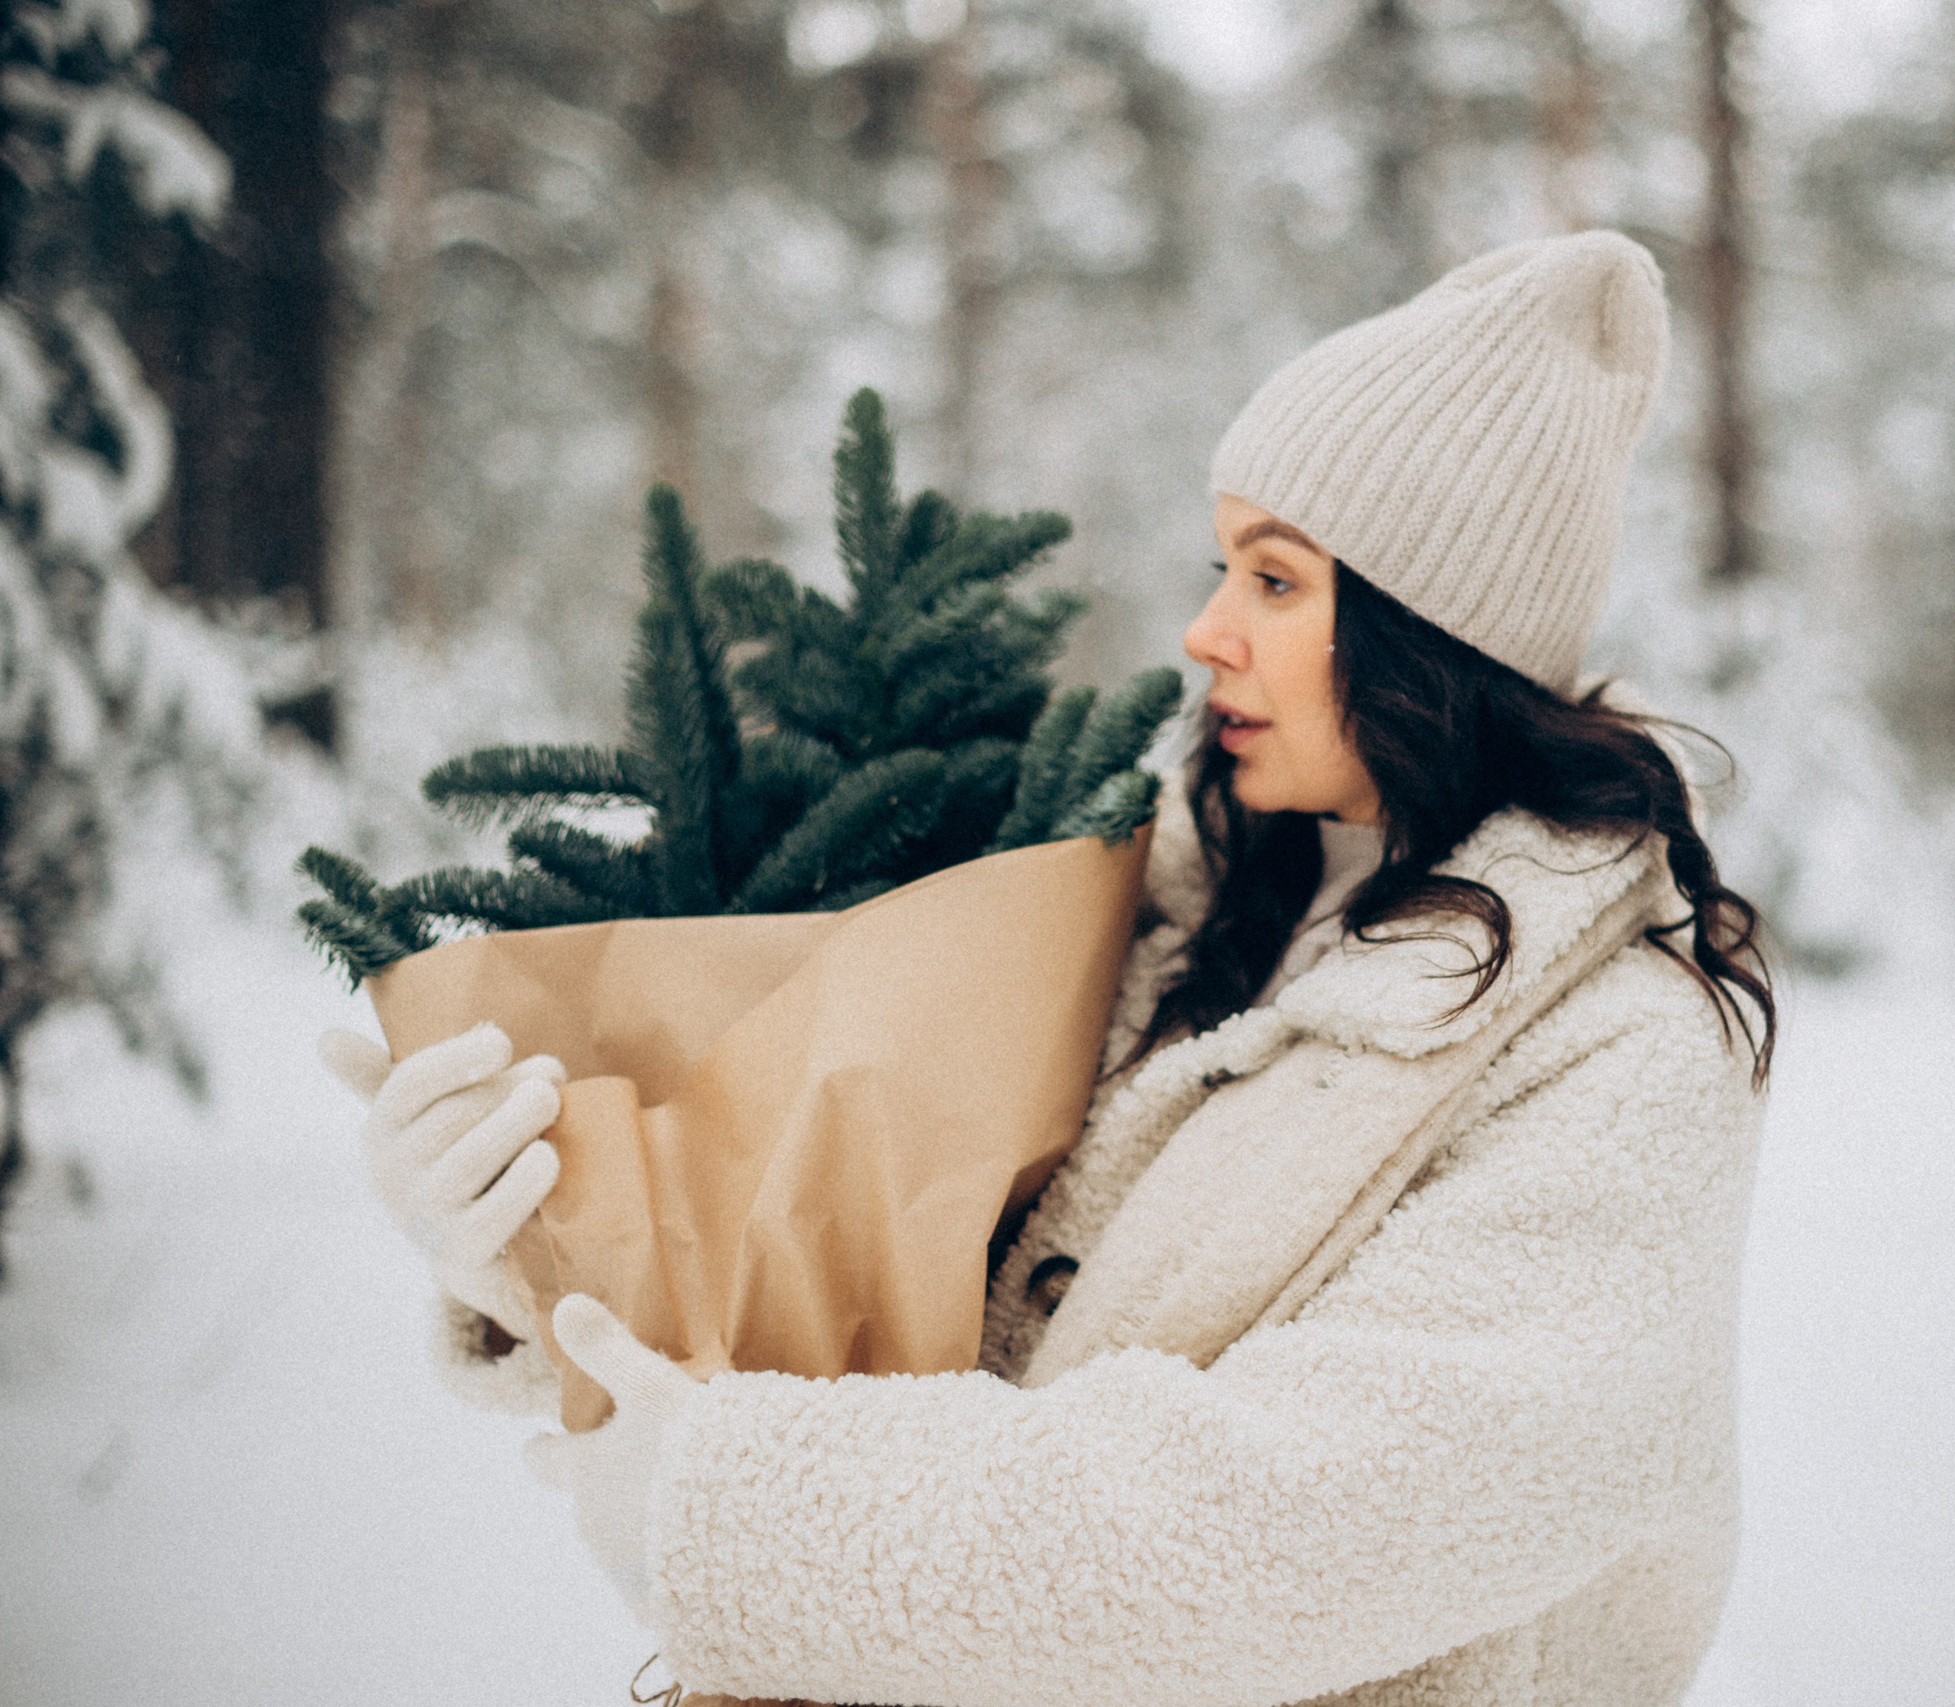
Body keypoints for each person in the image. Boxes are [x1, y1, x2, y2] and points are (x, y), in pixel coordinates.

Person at [324, 229, 1774, 1706]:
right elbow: (872, 1284)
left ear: (1432, 635)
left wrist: (737, 1512)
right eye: (1223, 567)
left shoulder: (1625, 1057)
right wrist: (528, 1240)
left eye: (1277, 583)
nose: (1207, 632)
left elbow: (1282, 1531)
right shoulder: (1162, 937)